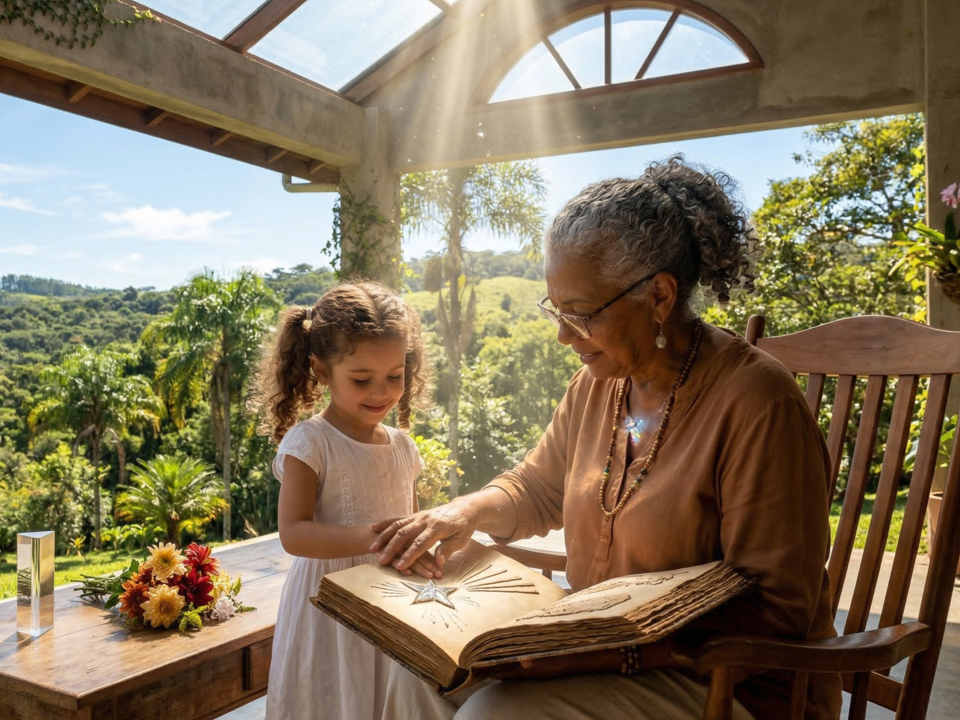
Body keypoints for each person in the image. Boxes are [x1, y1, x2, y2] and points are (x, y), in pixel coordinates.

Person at [371, 157, 841, 720]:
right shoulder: (597, 388)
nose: (563, 335)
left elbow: (776, 606)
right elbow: (536, 488)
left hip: (728, 683)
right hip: (598, 648)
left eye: (580, 313)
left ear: (660, 297)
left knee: (495, 716)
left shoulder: (758, 403)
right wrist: (462, 513)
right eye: (556, 309)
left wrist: (609, 655)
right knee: (421, 675)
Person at [253, 282, 435, 720]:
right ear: (320, 370)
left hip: (391, 604)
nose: (381, 392)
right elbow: (294, 534)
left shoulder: (403, 447)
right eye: (361, 379)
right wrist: (377, 540)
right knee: (334, 701)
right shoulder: (310, 443)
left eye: (395, 375)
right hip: (327, 609)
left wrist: (422, 548)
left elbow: (408, 528)